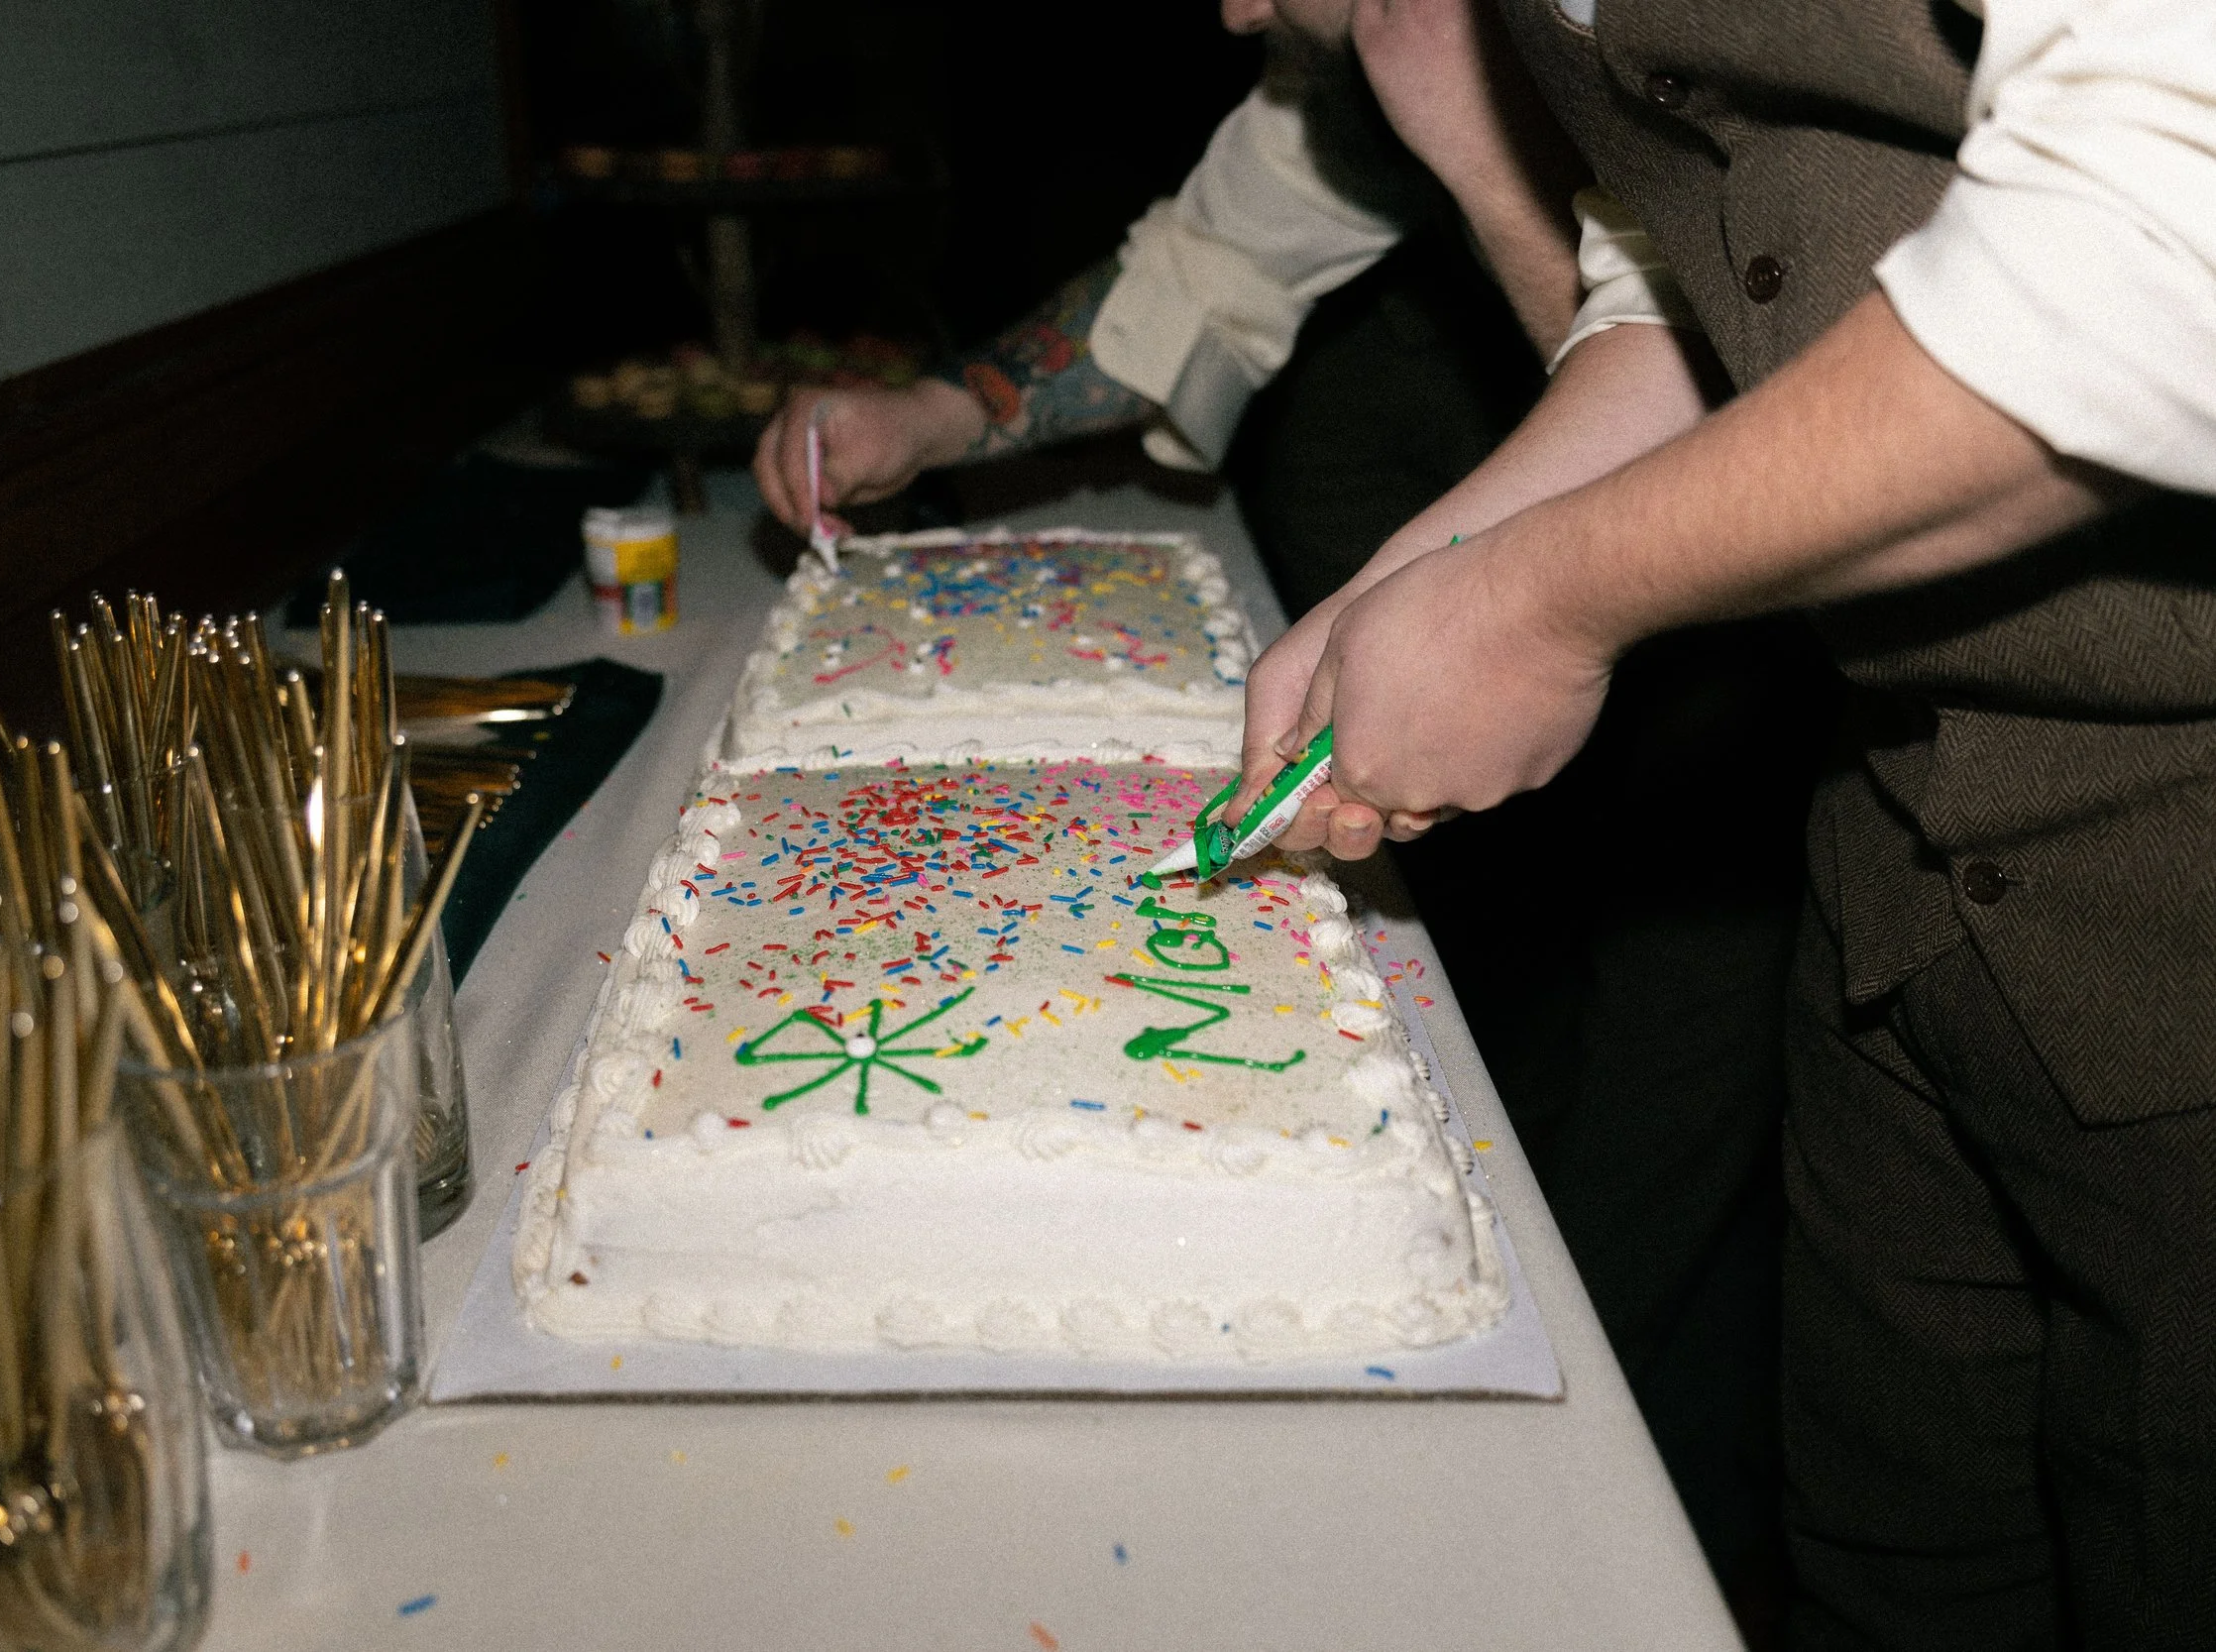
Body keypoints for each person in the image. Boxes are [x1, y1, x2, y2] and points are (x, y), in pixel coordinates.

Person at [755, 3, 1827, 1621]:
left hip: (1743, 716)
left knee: (1637, 1252)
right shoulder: (1371, 45)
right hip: (1526, 665)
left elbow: (1687, 372)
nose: (1237, 10)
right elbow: (1208, 255)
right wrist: (950, 412)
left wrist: (1473, 149)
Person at [1227, 0, 2216, 1644]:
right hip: (1897, 821)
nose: (1249, 16)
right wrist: (1451, 566)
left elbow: (2159, 240)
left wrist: (1540, 606)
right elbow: (1716, 290)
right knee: (1896, 1559)